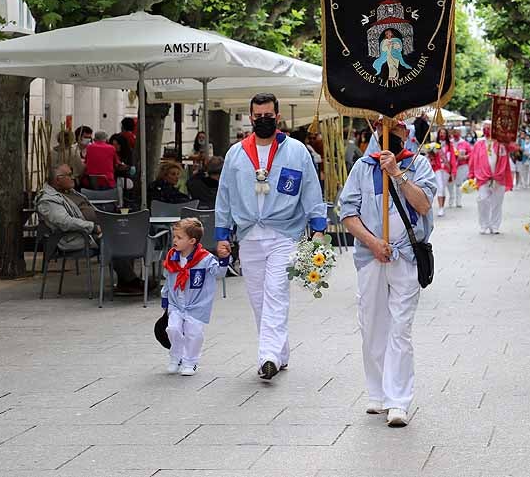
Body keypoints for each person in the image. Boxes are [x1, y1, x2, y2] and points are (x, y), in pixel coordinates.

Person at [215, 93, 327, 380]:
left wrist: (318, 229)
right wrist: (222, 234)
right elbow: (224, 196)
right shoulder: (236, 154)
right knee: (257, 298)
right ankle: (280, 351)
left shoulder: (297, 151)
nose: (263, 120)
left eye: (268, 116)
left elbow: (312, 190)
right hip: (249, 235)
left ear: (278, 117)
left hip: (284, 234)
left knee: (275, 292)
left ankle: (267, 357)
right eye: (258, 116)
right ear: (251, 117)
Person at [337, 119, 436, 428]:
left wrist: (397, 174)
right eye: (382, 127)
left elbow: (423, 205)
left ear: (405, 133)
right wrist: (372, 242)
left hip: (406, 255)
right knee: (371, 324)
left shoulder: (418, 164)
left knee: (400, 327)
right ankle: (377, 391)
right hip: (370, 256)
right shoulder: (361, 168)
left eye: (394, 129)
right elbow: (348, 213)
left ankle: (398, 401)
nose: (387, 134)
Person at [36, 163, 145, 295]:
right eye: (69, 175)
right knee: (111, 240)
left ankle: (126, 281)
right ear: (58, 179)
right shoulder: (48, 200)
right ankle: (130, 282)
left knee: (124, 233)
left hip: (94, 229)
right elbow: (65, 222)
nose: (73, 178)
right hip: (73, 237)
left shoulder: (69, 192)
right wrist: (93, 227)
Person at [161, 217, 229, 376]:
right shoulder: (172, 257)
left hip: (197, 305)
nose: (174, 240)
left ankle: (190, 361)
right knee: (172, 328)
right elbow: (168, 277)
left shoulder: (205, 259)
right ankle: (176, 356)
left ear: (191, 241)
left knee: (194, 333)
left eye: (179, 237)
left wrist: (224, 259)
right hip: (176, 303)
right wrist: (165, 297)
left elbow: (218, 273)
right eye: (174, 237)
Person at [468, 120, 513, 235]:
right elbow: (473, 160)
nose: (486, 130)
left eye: (489, 127)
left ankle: (495, 225)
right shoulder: (479, 143)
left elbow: (510, 152)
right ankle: (484, 224)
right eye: (485, 127)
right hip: (483, 177)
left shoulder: (501, 144)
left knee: (497, 202)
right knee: (482, 200)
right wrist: (471, 175)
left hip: (499, 177)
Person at [429, 127, 457, 217]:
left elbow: (452, 159)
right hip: (437, 169)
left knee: (443, 188)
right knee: (440, 187)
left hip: (446, 169)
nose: (442, 135)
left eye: (444, 133)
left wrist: (453, 171)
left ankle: (442, 207)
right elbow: (431, 158)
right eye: (440, 133)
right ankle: (440, 208)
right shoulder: (434, 145)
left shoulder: (450, 146)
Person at [449, 128, 472, 208]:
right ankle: (451, 200)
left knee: (459, 184)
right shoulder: (450, 143)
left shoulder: (465, 143)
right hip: (450, 166)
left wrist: (465, 157)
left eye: (458, 132)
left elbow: (471, 153)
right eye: (455, 132)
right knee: (450, 184)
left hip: (461, 166)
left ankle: (458, 201)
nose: (456, 134)